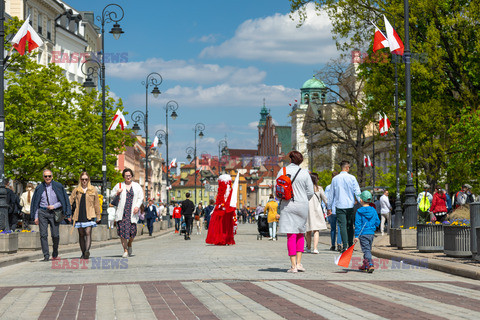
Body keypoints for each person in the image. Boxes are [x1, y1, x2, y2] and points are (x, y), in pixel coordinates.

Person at [277, 151, 314, 273]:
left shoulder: (282, 171)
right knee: (300, 233)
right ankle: (299, 263)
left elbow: (276, 190)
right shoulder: (304, 173)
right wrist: (303, 199)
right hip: (301, 205)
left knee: (291, 234)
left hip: (287, 205)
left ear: (290, 159)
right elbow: (310, 192)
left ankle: (293, 266)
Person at [30, 169, 72, 261]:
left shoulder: (58, 186)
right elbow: (35, 203)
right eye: (45, 176)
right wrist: (35, 216)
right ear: (43, 177)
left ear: (52, 177)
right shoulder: (39, 187)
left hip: (54, 212)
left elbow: (64, 200)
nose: (47, 178)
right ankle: (46, 255)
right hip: (42, 212)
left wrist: (54, 206)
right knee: (43, 235)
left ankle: (55, 252)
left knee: (55, 235)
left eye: (49, 176)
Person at [326, 160, 361, 252]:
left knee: (342, 226)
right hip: (350, 205)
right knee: (350, 225)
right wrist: (361, 202)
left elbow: (331, 195)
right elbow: (357, 191)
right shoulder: (352, 178)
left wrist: (329, 207)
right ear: (347, 167)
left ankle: (345, 245)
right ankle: (350, 245)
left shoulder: (335, 179)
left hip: (339, 205)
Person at [111, 168, 144, 258]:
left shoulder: (136, 186)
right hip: (122, 213)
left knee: (132, 232)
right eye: (126, 176)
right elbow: (111, 194)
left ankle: (129, 244)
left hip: (132, 212)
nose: (128, 177)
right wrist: (117, 192)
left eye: (129, 175)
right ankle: (125, 250)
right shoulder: (119, 185)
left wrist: (137, 206)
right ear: (124, 176)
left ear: (131, 176)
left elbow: (141, 197)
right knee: (122, 232)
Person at [69, 172, 101, 259]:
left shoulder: (93, 189)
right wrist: (69, 214)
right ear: (80, 180)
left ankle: (87, 251)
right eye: (82, 179)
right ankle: (83, 253)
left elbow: (96, 204)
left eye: (86, 179)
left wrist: (98, 216)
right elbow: (70, 202)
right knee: (81, 234)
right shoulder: (76, 190)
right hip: (79, 214)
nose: (84, 181)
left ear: (88, 180)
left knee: (88, 232)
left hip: (89, 214)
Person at [205, 174, 236, 245]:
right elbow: (221, 198)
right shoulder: (225, 192)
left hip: (225, 210)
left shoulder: (228, 193)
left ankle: (224, 238)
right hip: (223, 210)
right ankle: (223, 238)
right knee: (222, 225)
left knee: (223, 225)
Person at [354, 191, 380, 273]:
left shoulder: (359, 211)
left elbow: (358, 224)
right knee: (368, 249)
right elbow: (377, 222)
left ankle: (370, 264)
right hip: (371, 233)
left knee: (366, 250)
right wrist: (373, 226)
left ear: (361, 200)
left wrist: (356, 235)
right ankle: (365, 264)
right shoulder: (373, 210)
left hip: (363, 233)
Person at [305, 173, 328, 254]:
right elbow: (325, 199)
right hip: (317, 210)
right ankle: (315, 248)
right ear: (316, 179)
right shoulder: (319, 189)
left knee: (307, 230)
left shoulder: (306, 189)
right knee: (316, 230)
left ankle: (308, 247)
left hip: (307, 210)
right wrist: (329, 208)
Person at [325, 172, 342, 251]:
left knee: (332, 228)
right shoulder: (341, 187)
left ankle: (332, 245)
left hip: (331, 210)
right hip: (339, 209)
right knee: (339, 227)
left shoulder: (328, 187)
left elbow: (326, 199)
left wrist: (327, 208)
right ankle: (339, 243)